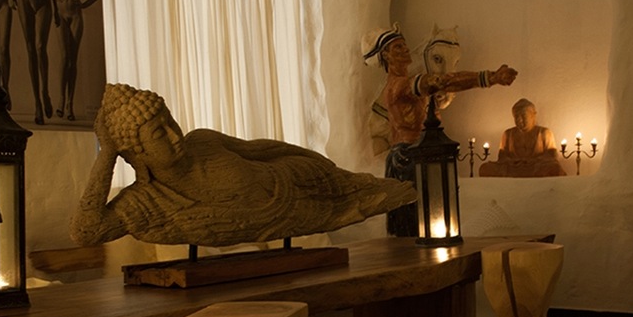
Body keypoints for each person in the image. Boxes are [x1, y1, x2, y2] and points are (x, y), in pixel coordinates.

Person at [70, 84, 416, 248]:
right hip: (295, 214)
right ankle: (407, 190)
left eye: (171, 122)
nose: (175, 135)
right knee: (370, 200)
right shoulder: (146, 204)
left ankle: (409, 189)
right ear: (138, 153)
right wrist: (107, 153)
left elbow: (261, 150)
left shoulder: (202, 141)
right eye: (160, 133)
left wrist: (320, 161)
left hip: (303, 174)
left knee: (374, 188)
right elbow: (86, 231)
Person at [361, 23, 518, 235]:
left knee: (429, 218)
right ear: (386, 56)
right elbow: (442, 81)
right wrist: (490, 77)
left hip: (418, 155)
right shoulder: (399, 86)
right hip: (407, 158)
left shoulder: (407, 83)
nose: (405, 49)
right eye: (397, 47)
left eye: (404, 44)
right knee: (414, 224)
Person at [9, 0, 56, 124]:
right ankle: (37, 103)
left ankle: (45, 91)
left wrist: (56, 9)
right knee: (30, 50)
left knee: (40, 47)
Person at [52, 0, 99, 121]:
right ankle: (61, 99)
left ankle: (69, 104)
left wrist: (82, 5)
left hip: (75, 16)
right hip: (61, 15)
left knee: (72, 60)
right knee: (64, 57)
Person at [480, 98, 565, 177]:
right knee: (485, 168)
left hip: (535, 167)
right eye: (516, 117)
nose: (519, 120)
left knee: (554, 168)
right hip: (514, 168)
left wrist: (533, 161)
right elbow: (502, 158)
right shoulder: (507, 134)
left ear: (533, 115)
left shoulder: (544, 133)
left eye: (523, 116)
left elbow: (552, 156)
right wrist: (515, 162)